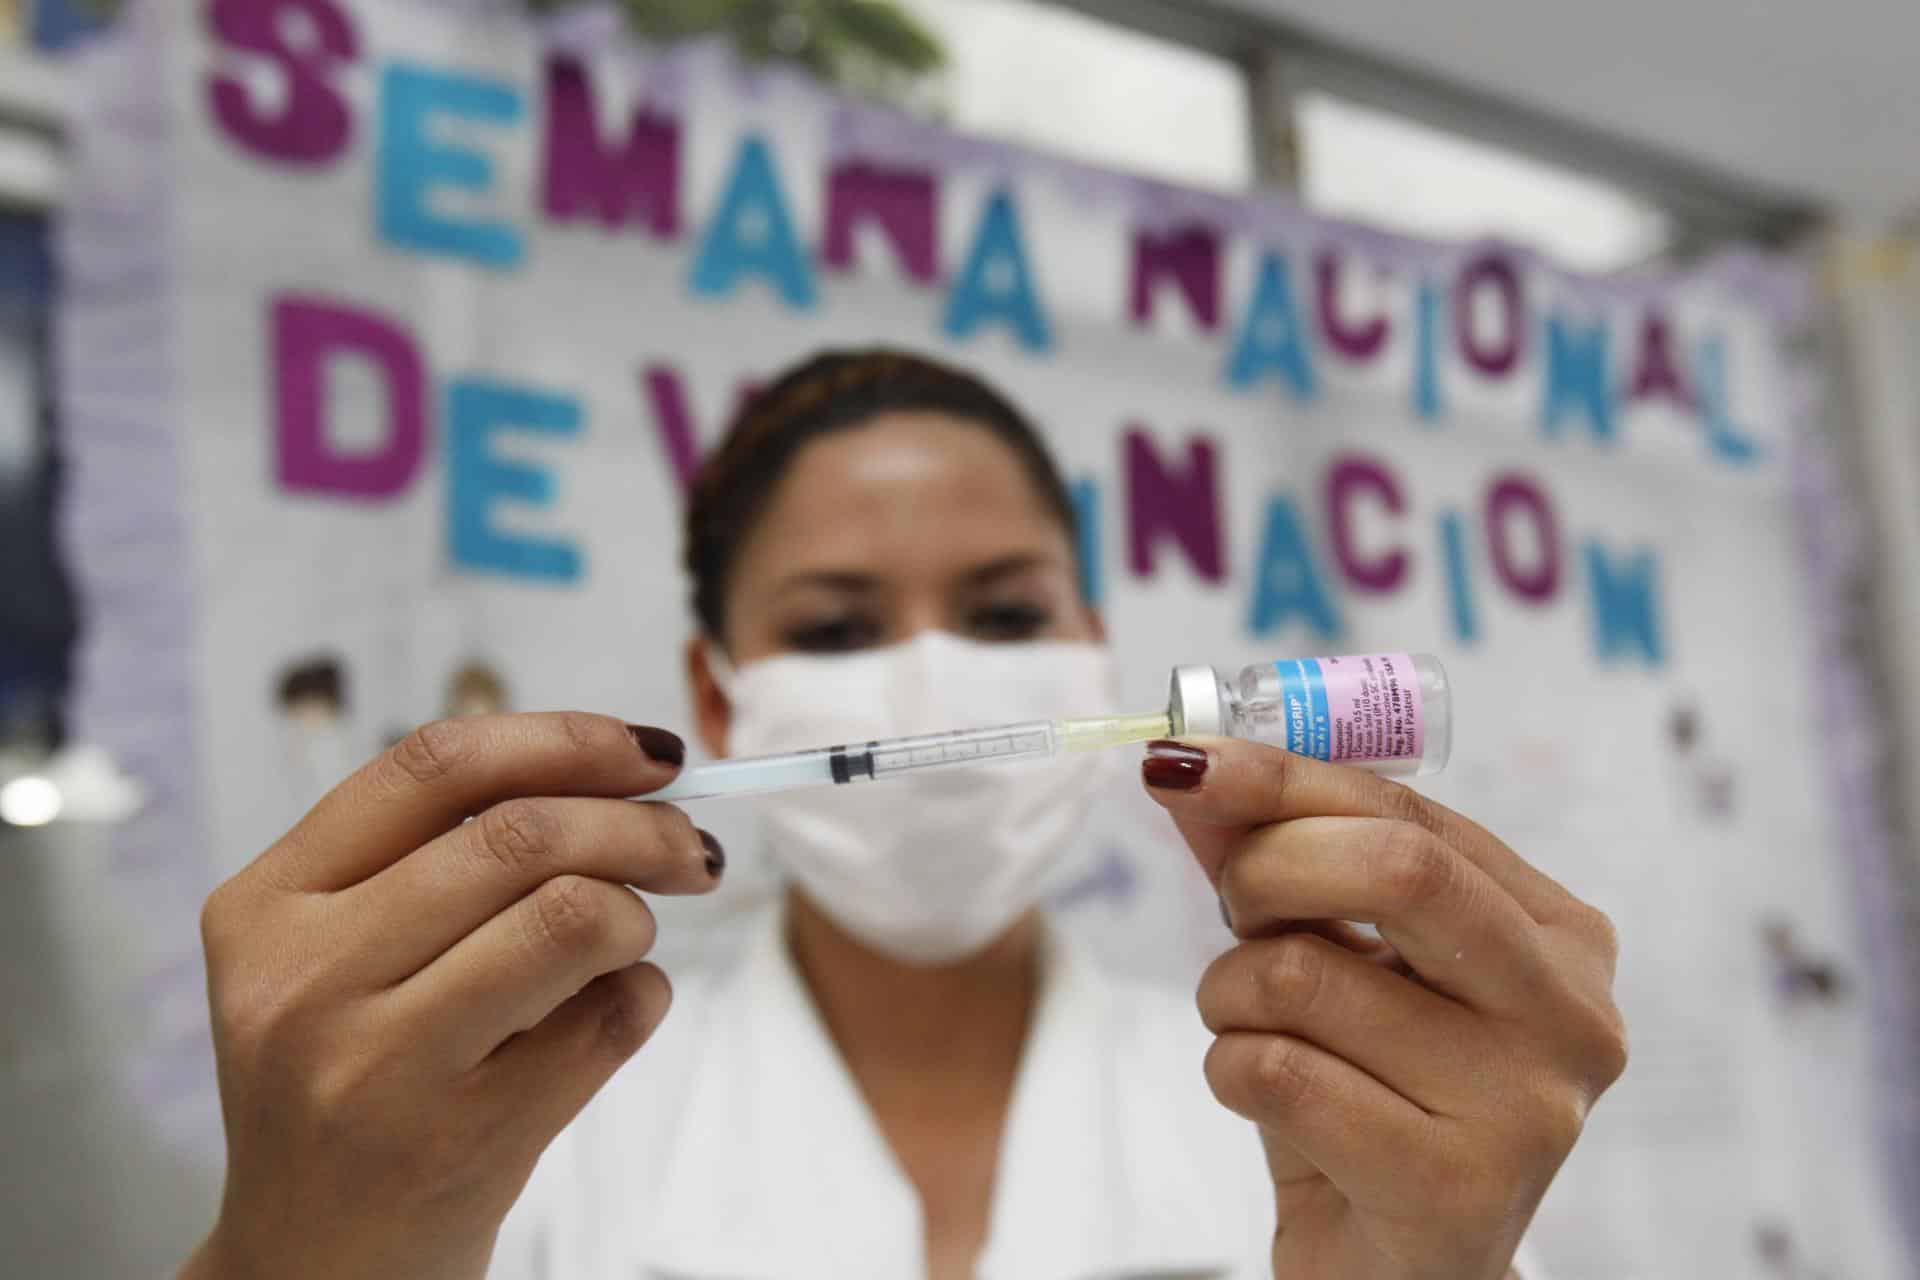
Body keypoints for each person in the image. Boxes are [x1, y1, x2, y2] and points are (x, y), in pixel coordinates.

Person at [181, 350, 1626, 1280]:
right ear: (718, 695)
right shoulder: (528, 1131)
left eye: (1003, 613)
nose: (935, 685)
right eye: (834, 629)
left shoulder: (1317, 1106)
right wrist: (288, 1254)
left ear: (1088, 645)